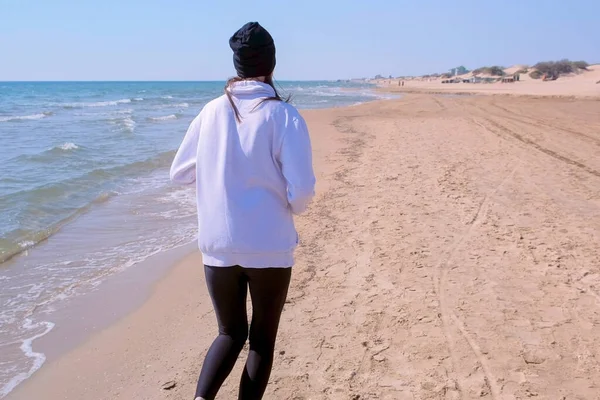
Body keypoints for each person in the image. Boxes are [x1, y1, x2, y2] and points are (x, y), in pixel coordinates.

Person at [170, 21, 316, 400]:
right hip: (268, 245)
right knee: (261, 340)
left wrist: (220, 181)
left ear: (237, 65)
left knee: (228, 333)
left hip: (218, 243)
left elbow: (180, 173)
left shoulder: (211, 112)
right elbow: (302, 191)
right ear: (270, 64)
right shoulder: (284, 116)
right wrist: (290, 206)